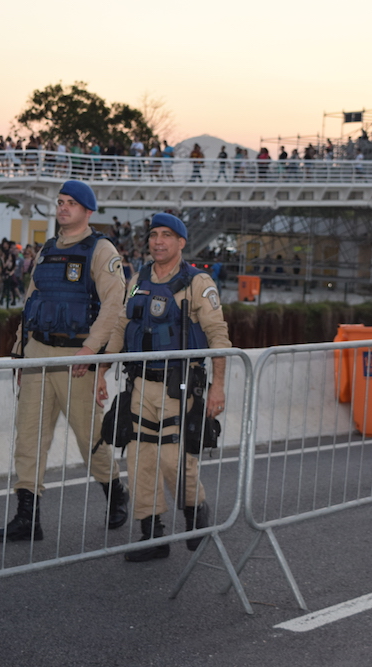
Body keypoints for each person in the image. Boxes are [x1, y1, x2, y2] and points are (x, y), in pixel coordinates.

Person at [0, 180, 129, 543]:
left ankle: (115, 493)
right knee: (29, 438)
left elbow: (114, 307)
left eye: (71, 204)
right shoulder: (47, 251)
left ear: (87, 211)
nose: (62, 208)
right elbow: (31, 302)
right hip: (37, 355)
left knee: (89, 436)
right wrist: (20, 354)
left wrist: (91, 353)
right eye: (60, 202)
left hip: (75, 358)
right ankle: (27, 517)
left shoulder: (101, 250)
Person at [102, 212, 230, 562]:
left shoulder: (197, 282)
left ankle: (195, 510)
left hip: (179, 385)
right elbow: (121, 327)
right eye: (154, 235)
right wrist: (101, 371)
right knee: (141, 460)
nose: (158, 241)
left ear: (181, 243)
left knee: (174, 459)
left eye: (166, 236)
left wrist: (218, 385)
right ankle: (151, 535)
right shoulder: (139, 278)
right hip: (140, 382)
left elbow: (218, 335)